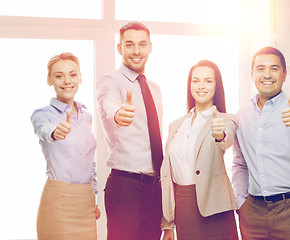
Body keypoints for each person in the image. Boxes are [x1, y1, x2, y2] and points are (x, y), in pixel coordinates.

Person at [231, 46, 290, 240]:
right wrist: (241, 202)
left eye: (274, 68)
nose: (267, 74)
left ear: (284, 74)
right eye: (261, 68)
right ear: (252, 74)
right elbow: (239, 163)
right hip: (252, 212)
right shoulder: (242, 116)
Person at [96, 21, 163, 240]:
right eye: (130, 44)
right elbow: (109, 104)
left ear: (150, 47)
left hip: (155, 188)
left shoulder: (154, 88)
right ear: (120, 48)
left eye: (142, 44)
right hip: (126, 187)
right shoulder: (110, 82)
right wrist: (118, 113)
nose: (136, 51)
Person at [161, 60, 239, 240]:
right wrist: (167, 223)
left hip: (215, 207)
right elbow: (167, 175)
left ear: (217, 85)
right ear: (190, 86)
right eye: (196, 81)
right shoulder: (175, 126)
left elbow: (225, 140)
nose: (201, 86)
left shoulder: (226, 119)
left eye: (208, 81)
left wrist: (220, 135)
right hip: (183, 207)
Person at [31, 52, 100, 240]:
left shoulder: (86, 116)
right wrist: (54, 133)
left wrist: (92, 196)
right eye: (59, 76)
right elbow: (42, 129)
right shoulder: (42, 115)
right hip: (59, 202)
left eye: (72, 74)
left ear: (80, 77)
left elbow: (88, 160)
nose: (67, 81)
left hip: (85, 202)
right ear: (49, 80)